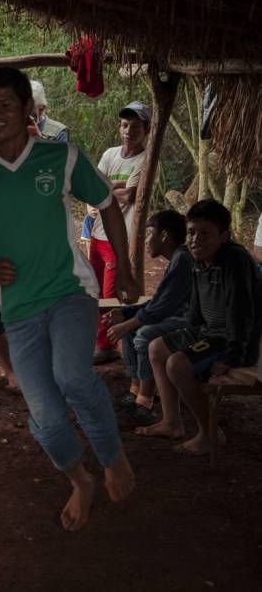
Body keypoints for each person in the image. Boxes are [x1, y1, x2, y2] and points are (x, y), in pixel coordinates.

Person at [0, 67, 138, 531]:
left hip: (70, 290)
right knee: (44, 414)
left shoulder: (62, 156)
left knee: (72, 375)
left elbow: (107, 203)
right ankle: (79, 480)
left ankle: (112, 457)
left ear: (27, 109)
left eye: (5, 106)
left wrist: (127, 269)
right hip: (19, 307)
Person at [136, 200, 262, 454]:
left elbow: (242, 314)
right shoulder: (197, 258)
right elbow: (196, 310)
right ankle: (172, 423)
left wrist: (232, 357)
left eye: (206, 234)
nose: (196, 240)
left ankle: (210, 434)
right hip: (210, 331)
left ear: (224, 236)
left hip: (235, 338)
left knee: (178, 364)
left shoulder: (235, 262)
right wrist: (185, 331)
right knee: (157, 348)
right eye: (192, 232)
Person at [104, 210, 193, 422]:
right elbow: (159, 301)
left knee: (144, 333)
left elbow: (163, 307)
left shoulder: (182, 258)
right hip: (177, 316)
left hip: (189, 321)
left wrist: (129, 323)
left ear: (164, 236)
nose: (146, 240)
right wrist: (125, 313)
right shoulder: (177, 258)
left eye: (149, 233)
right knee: (131, 324)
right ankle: (135, 391)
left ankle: (145, 402)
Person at [91, 101, 151, 364]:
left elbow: (128, 196)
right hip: (97, 232)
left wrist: (106, 188)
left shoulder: (146, 159)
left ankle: (107, 345)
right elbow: (92, 187)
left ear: (146, 130)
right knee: (92, 290)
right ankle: (98, 339)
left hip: (121, 237)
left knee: (112, 294)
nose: (129, 131)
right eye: (125, 125)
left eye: (135, 127)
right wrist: (111, 188)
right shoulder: (109, 154)